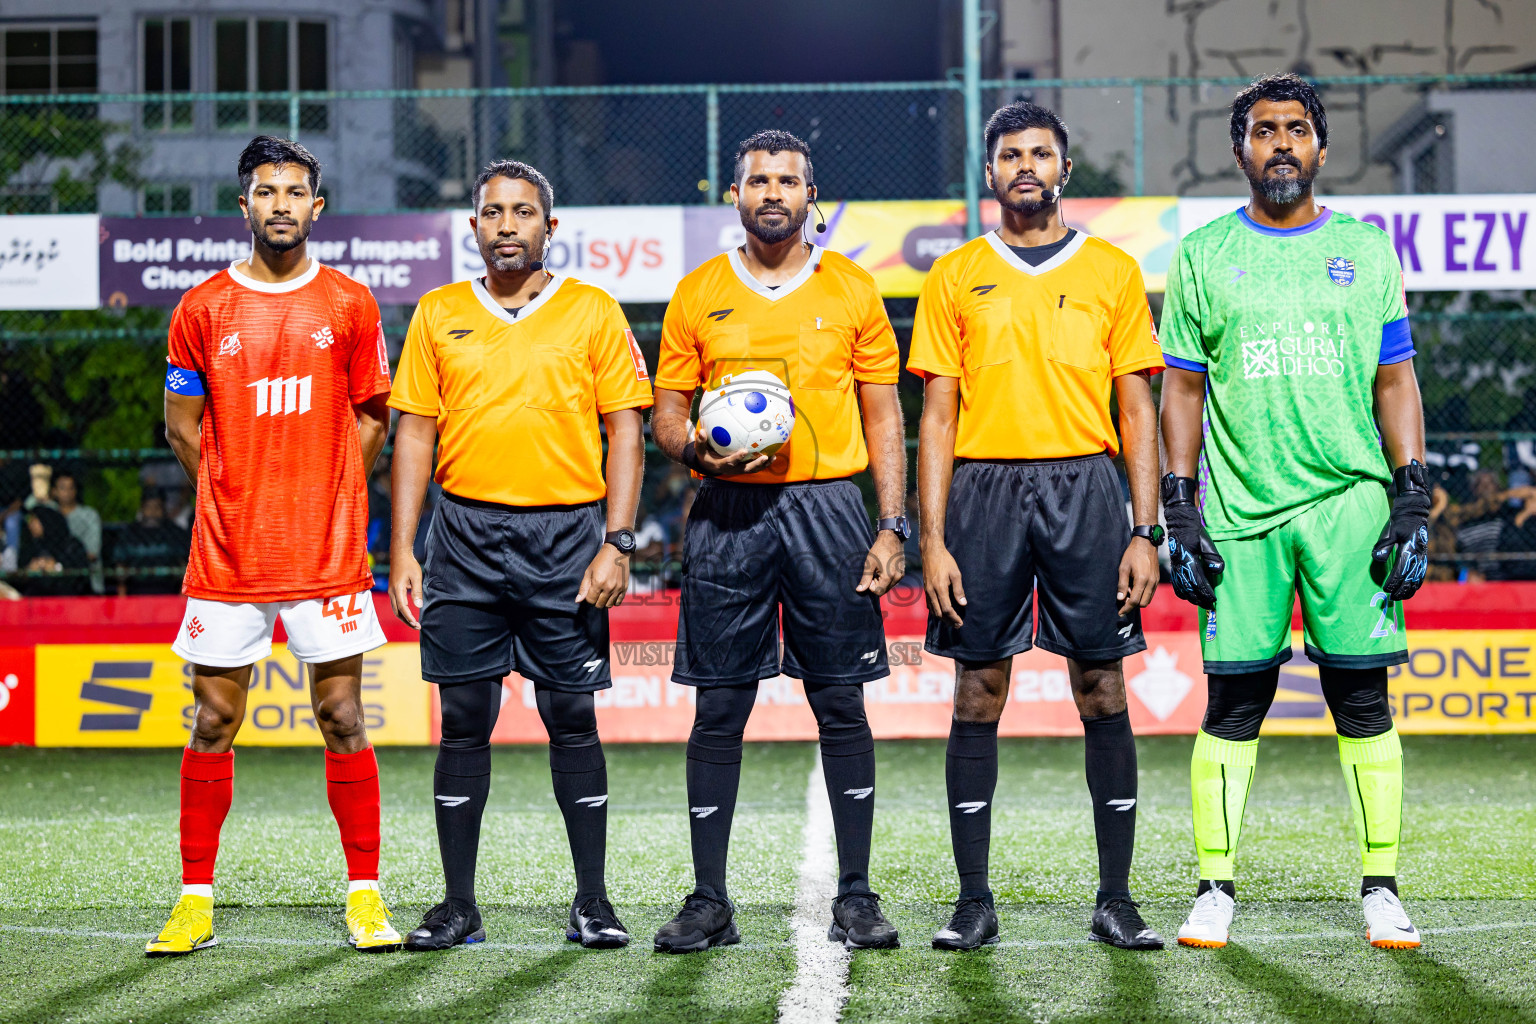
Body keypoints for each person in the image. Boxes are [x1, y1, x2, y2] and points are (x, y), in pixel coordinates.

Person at [1158, 73, 1429, 950]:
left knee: (1362, 698)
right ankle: (1214, 889)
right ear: (1239, 149)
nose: (1281, 143)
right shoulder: (1202, 254)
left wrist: (1411, 490)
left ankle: (1381, 889)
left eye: (1297, 129)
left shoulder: (1367, 248)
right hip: (1241, 509)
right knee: (1234, 702)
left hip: (1351, 504)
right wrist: (1178, 504)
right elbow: (1182, 389)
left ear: (1320, 146)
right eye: (1264, 130)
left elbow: (1396, 380)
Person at [909, 102, 1166, 952]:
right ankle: (973, 901)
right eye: (1011, 155)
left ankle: (1116, 898)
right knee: (978, 687)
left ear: (1064, 169)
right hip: (982, 493)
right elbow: (936, 416)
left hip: (1087, 489)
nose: (1026, 166)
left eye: (1041, 154)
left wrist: (1146, 528)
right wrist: (933, 537)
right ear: (991, 175)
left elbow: (1138, 405)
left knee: (1103, 686)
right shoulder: (954, 275)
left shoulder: (1114, 272)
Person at [649, 130, 907, 953]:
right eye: (757, 179)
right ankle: (709, 901)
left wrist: (892, 524)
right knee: (720, 707)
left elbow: (884, 416)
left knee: (840, 701)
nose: (772, 192)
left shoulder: (855, 290)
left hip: (829, 507)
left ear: (809, 196)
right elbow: (665, 414)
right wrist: (697, 449)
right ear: (734, 195)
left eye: (788, 181)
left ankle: (857, 896)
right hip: (727, 508)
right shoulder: (697, 294)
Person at [388, 159, 651, 951]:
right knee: (463, 719)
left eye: (523, 212)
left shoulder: (593, 311)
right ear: (473, 226)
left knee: (571, 717)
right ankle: (458, 904)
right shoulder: (437, 313)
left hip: (568, 541)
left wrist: (619, 540)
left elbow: (628, 429)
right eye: (493, 212)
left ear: (550, 226)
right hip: (463, 537)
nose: (507, 224)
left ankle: (593, 902)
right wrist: (403, 547)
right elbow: (414, 433)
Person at [146, 136, 399, 957]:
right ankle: (194, 900)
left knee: (342, 715)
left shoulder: (352, 305)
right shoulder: (201, 309)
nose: (281, 204)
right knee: (213, 721)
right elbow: (181, 425)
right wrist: (231, 488)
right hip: (229, 555)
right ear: (244, 205)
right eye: (266, 191)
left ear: (316, 208)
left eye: (296, 192)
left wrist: (330, 490)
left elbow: (371, 416)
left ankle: (365, 895)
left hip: (325, 553)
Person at [108, 492, 191, 596]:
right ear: (142, 509)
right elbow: (120, 567)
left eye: (157, 507)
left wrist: (181, 596)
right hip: (136, 590)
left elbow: (185, 566)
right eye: (148, 507)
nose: (153, 512)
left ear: (163, 509)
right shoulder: (130, 533)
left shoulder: (175, 532)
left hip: (168, 590)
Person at [16, 505, 89, 596]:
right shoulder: (30, 545)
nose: (30, 524)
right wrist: (29, 570)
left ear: (45, 521)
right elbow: (19, 577)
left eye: (34, 520)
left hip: (67, 597)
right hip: (36, 597)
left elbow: (81, 576)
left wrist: (57, 567)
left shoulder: (70, 544)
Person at [53, 472, 103, 594]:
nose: (67, 492)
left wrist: (59, 564)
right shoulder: (48, 514)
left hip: (86, 582)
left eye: (71, 488)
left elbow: (92, 554)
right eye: (62, 487)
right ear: (53, 491)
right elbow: (30, 504)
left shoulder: (90, 515)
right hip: (54, 584)